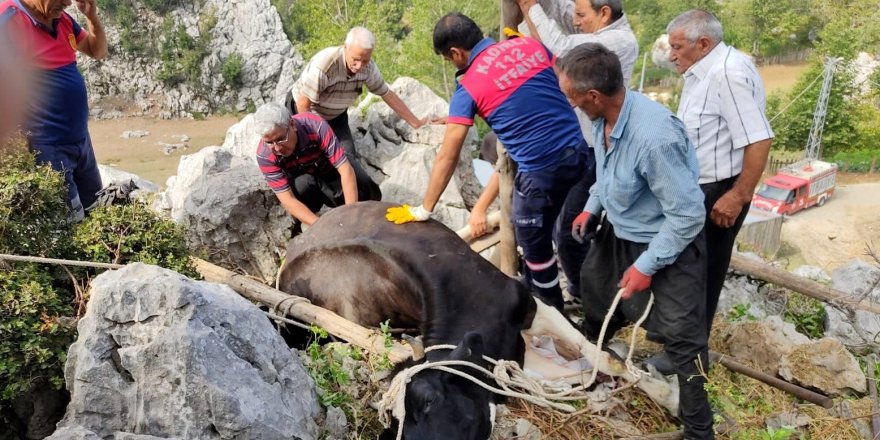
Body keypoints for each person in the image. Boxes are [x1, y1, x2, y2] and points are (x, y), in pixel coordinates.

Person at [556, 43, 712, 438]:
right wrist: (592, 205)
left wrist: (646, 266)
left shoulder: (655, 137)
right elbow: (609, 174)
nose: (568, 102)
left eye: (570, 96)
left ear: (592, 96)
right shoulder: (603, 116)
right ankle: (593, 359)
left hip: (665, 241)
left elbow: (688, 214)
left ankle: (698, 429)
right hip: (618, 231)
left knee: (682, 338)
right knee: (595, 292)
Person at [385, 12, 591, 312]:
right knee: (570, 230)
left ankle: (553, 319)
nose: (451, 63)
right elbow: (566, 83)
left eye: (448, 58)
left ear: (456, 52)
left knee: (533, 242)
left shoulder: (468, 87)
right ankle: (582, 297)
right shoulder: (531, 47)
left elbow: (448, 155)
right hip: (581, 154)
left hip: (541, 172)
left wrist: (424, 208)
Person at [514, 0, 639, 301]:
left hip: (599, 151)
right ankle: (586, 293)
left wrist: (529, 5)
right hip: (581, 147)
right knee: (565, 227)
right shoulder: (598, 30)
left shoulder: (616, 42)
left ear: (605, 13)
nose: (577, 21)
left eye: (582, 16)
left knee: (572, 233)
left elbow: (559, 45)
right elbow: (563, 13)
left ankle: (592, 301)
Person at [667, 10, 773, 338]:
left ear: (703, 43)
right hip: (702, 186)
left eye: (677, 47)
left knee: (701, 274)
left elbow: (759, 138)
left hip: (720, 191)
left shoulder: (727, 73)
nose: (671, 55)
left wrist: (737, 196)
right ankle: (678, 343)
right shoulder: (705, 68)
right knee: (687, 270)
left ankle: (687, 356)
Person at [1, 0, 107, 221]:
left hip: (81, 142)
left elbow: (96, 51)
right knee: (71, 224)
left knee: (99, 213)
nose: (68, 3)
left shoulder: (62, 20)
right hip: (48, 147)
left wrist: (92, 18)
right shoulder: (8, 19)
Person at [288, 26, 429, 158]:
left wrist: (415, 122)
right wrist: (312, 138)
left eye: (365, 60)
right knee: (309, 158)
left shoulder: (369, 68)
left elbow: (386, 94)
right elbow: (303, 104)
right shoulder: (325, 65)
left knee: (347, 160)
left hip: (336, 117)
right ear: (345, 47)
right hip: (304, 112)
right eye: (355, 59)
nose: (359, 66)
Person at [254, 102, 381, 227]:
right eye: (269, 142)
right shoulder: (264, 155)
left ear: (292, 125)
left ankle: (372, 209)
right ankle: (310, 218)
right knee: (301, 186)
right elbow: (287, 199)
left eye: (281, 139)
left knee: (361, 180)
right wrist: (321, 227)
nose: (277, 148)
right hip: (306, 180)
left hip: (328, 167)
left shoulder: (315, 125)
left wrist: (350, 216)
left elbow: (345, 170)